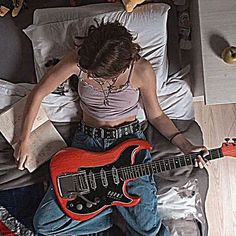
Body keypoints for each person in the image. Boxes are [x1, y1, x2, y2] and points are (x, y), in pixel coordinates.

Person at [14, 20, 209, 236]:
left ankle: (117, 210)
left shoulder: (141, 70)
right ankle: (112, 214)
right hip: (87, 145)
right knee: (45, 225)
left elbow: (156, 115)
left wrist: (186, 146)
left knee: (150, 230)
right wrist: (24, 140)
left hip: (128, 147)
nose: (97, 78)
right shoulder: (79, 60)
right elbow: (38, 93)